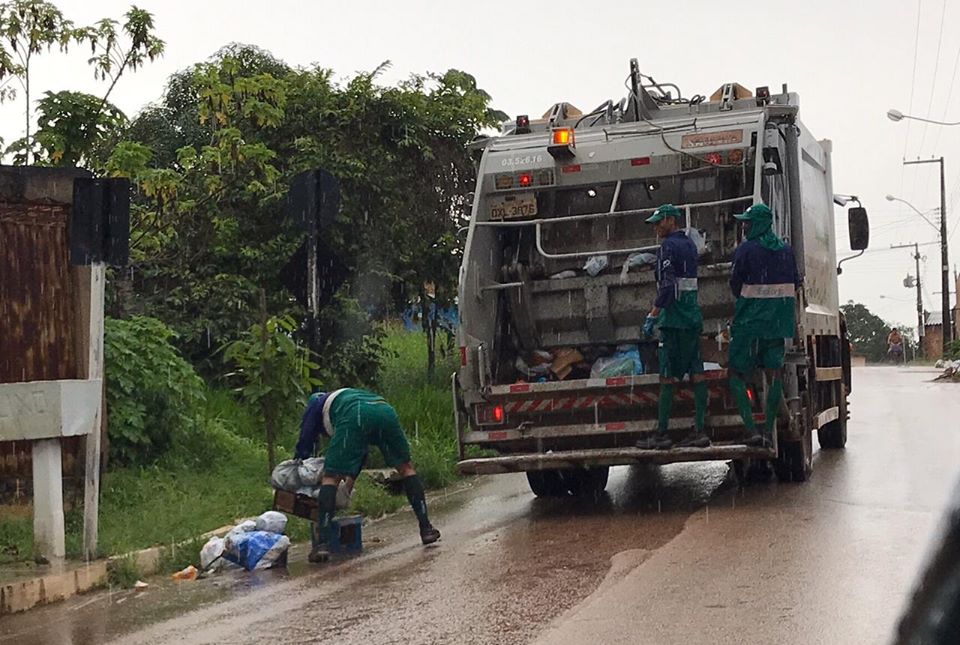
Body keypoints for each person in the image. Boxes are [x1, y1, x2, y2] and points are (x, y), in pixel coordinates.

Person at [295, 389, 441, 563]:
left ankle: (322, 545)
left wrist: (297, 465)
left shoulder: (316, 404)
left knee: (330, 477)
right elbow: (360, 454)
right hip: (385, 410)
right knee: (406, 468)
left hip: (355, 414)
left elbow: (306, 438)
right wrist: (347, 488)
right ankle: (426, 529)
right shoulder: (344, 399)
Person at [636, 203, 710, 450]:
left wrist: (652, 316)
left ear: (670, 220)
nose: (656, 227)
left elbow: (667, 288)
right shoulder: (689, 245)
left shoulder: (667, 247)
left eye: (659, 222)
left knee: (667, 377)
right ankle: (699, 430)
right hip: (691, 317)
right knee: (697, 372)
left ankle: (662, 433)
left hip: (674, 321)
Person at [728, 203, 800, 448]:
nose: (745, 227)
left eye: (747, 223)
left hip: (749, 325)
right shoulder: (786, 251)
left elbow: (735, 284)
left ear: (757, 224)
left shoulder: (746, 250)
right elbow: (795, 283)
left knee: (736, 374)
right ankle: (768, 432)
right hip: (777, 326)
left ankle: (752, 430)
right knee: (773, 374)